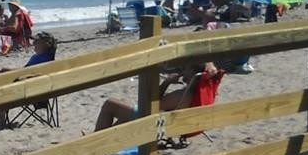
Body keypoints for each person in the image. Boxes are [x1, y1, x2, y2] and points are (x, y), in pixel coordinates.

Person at [94, 61, 222, 131]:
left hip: (151, 120)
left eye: (186, 69)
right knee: (123, 113)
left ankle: (95, 142)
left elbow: (151, 105)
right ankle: (100, 138)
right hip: (168, 120)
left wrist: (166, 83)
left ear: (194, 72)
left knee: (110, 104)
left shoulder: (182, 95)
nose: (183, 71)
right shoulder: (199, 91)